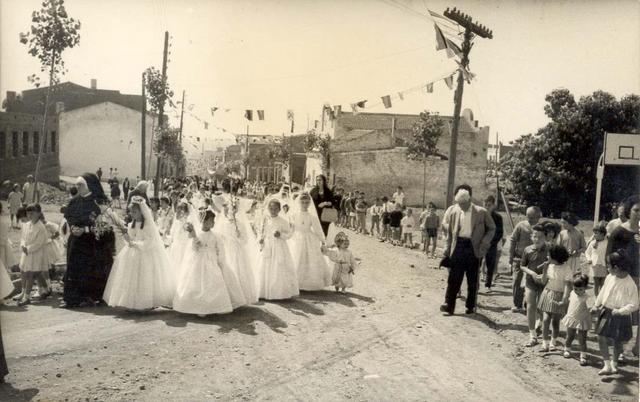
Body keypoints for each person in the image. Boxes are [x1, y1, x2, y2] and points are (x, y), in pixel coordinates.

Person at [102, 196, 173, 310]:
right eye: (131, 212)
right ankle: (130, 301)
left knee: (144, 277)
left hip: (145, 253)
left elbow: (150, 241)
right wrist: (127, 238)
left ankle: (145, 302)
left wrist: (136, 244)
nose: (132, 214)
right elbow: (130, 237)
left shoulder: (148, 225)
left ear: (142, 211)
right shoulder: (132, 224)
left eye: (135, 211)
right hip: (131, 253)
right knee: (129, 277)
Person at [440, 185, 496, 316]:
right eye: (459, 204)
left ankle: (470, 306)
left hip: (474, 248)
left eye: (463, 204)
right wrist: (447, 250)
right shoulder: (455, 212)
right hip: (458, 246)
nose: (461, 207)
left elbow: (492, 228)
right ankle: (449, 305)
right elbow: (450, 233)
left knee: (472, 279)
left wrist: (484, 243)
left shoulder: (481, 211)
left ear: (469, 201)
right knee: (454, 278)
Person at [173, 210, 234, 316]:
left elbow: (220, 248)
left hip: (211, 261)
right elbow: (194, 248)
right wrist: (194, 237)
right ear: (204, 221)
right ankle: (198, 307)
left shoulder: (215, 235)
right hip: (198, 261)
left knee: (212, 282)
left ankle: (212, 306)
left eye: (213, 220)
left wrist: (220, 260)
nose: (213, 223)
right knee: (197, 282)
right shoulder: (197, 234)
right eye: (211, 220)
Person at [62, 173, 109, 308]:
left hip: (90, 241)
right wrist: (73, 227)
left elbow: (103, 226)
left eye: (81, 185)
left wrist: (85, 230)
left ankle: (88, 296)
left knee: (87, 268)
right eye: (76, 185)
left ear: (89, 186)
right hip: (75, 240)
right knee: (73, 267)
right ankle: (72, 298)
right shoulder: (73, 201)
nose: (78, 187)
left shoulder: (98, 204)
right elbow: (68, 217)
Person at [592, 252, 639, 375]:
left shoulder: (630, 284)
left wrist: (620, 311)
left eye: (609, 266)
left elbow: (634, 304)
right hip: (606, 311)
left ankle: (614, 363)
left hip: (620, 315)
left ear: (616, 267)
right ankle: (606, 364)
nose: (607, 268)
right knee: (600, 336)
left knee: (617, 341)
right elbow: (603, 292)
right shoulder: (609, 277)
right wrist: (596, 305)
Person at [605, 195, 640, 358]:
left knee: (637, 313)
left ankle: (636, 347)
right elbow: (608, 256)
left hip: (638, 278)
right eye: (636, 210)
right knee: (622, 312)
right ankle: (619, 350)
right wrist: (614, 275)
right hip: (623, 277)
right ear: (629, 210)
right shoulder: (619, 231)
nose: (639, 214)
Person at [257, 198, 298, 300]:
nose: (273, 210)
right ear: (268, 208)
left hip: (278, 246)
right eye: (271, 208)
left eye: (275, 208)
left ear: (279, 210)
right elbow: (261, 232)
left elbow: (289, 234)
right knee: (265, 266)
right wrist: (261, 239)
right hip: (267, 246)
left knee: (277, 267)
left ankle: (278, 292)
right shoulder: (265, 220)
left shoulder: (282, 221)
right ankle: (264, 292)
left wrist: (280, 235)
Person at [289, 193, 331, 291]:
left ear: (309, 203)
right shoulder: (293, 215)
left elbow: (317, 229)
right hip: (296, 237)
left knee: (308, 258)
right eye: (302, 202)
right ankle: (294, 282)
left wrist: (322, 241)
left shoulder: (312, 216)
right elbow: (290, 228)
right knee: (296, 257)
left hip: (308, 238)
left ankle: (307, 283)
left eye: (307, 202)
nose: (304, 204)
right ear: (299, 203)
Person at [538, 244, 572, 352]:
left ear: (556, 257)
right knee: (545, 319)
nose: (548, 257)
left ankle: (553, 341)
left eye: (549, 255)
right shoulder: (549, 266)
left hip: (559, 296)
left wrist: (565, 299)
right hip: (548, 294)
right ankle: (544, 343)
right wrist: (544, 270)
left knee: (555, 321)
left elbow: (567, 285)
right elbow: (543, 281)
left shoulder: (566, 268)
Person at [520, 224, 548, 347]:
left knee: (543, 308)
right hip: (530, 281)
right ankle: (532, 336)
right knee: (531, 306)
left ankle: (541, 325)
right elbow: (522, 266)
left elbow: (554, 264)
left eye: (540, 237)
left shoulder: (550, 249)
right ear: (531, 237)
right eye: (535, 236)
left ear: (545, 238)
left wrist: (545, 275)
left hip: (545, 282)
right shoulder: (527, 250)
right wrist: (531, 273)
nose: (537, 239)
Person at [509, 206, 542, 313]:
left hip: (534, 260)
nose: (529, 219)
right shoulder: (521, 226)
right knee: (517, 281)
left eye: (532, 217)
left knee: (531, 283)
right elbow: (513, 240)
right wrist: (511, 256)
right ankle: (517, 304)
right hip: (519, 258)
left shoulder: (541, 228)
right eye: (528, 216)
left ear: (538, 216)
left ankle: (528, 304)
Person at [17, 204, 50, 306]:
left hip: (36, 253)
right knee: (32, 272)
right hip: (26, 252)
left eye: (33, 213)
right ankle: (46, 289)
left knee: (31, 273)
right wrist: (23, 245)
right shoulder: (26, 225)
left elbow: (39, 242)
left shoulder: (41, 227)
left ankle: (26, 297)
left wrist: (28, 248)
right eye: (28, 213)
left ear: (39, 214)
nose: (30, 215)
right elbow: (23, 237)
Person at [562, 273, 591, 366]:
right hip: (572, 317)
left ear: (585, 287)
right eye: (575, 289)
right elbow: (570, 304)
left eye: (580, 289)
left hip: (582, 320)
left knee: (582, 339)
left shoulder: (587, 297)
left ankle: (583, 355)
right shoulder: (572, 293)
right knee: (570, 335)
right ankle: (567, 349)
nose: (577, 291)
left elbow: (590, 309)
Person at [483, 195, 503, 292]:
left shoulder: (498, 217)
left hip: (491, 244)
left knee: (490, 264)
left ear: (493, 205)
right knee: (476, 264)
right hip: (479, 244)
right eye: (485, 204)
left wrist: (491, 242)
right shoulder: (479, 215)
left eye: (489, 205)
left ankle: (488, 285)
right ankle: (476, 285)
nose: (487, 207)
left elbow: (500, 233)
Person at [585, 221, 608, 297]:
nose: (594, 235)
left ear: (602, 234)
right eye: (594, 233)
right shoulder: (592, 243)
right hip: (595, 265)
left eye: (596, 233)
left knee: (603, 283)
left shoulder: (607, 243)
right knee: (596, 283)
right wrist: (589, 259)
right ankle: (596, 298)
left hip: (604, 265)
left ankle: (601, 298)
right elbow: (587, 252)